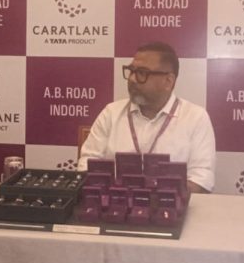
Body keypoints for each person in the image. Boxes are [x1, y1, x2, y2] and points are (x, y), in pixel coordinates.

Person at [78, 41, 216, 193]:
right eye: (131, 71)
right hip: (115, 203)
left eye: (142, 73)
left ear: (168, 81)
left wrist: (160, 196)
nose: (132, 79)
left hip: (170, 204)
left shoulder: (195, 117)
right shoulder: (111, 113)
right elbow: (86, 164)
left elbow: (201, 180)